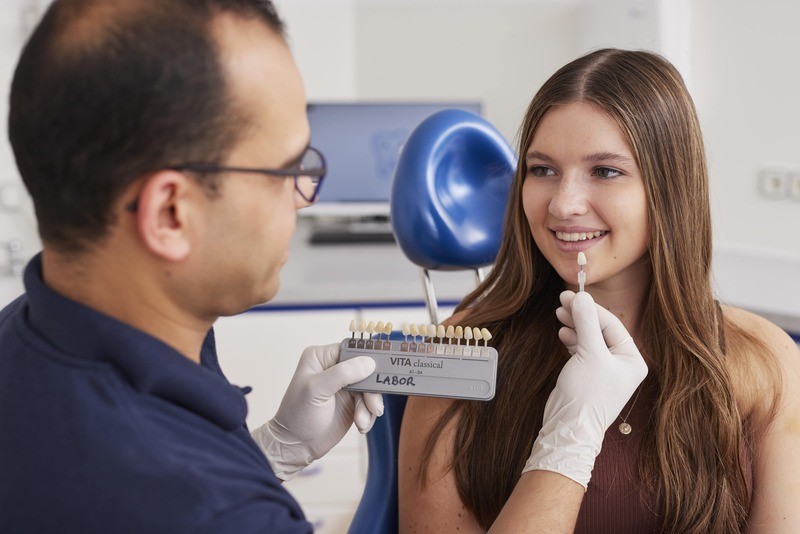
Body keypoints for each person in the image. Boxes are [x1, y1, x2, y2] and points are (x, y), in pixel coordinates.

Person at [0, 0, 384, 532]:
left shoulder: (24, 330)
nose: (304, 198)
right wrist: (547, 459)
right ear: (171, 214)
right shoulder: (220, 514)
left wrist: (270, 453)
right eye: (289, 169)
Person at [399, 48, 800, 533]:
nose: (563, 204)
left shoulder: (762, 360)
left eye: (606, 171)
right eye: (542, 169)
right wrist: (568, 434)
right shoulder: (458, 353)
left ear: (670, 189)